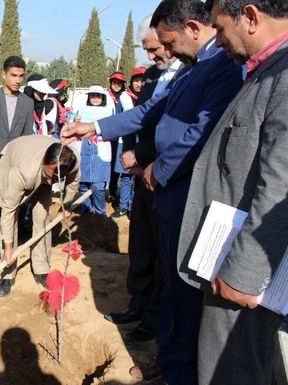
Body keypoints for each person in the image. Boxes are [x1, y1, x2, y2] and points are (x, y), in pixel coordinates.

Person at [62, 1, 243, 385]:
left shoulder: (224, 67)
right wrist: (93, 126)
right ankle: (169, 357)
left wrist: (158, 170)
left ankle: (180, 375)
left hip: (185, 195)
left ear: (193, 28)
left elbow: (200, 131)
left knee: (183, 290)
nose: (166, 51)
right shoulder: (191, 68)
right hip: (166, 197)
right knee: (169, 285)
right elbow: (151, 112)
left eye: (169, 41)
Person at [178, 1, 288, 385]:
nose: (218, 39)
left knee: (232, 380)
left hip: (247, 270)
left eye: (222, 28)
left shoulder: (285, 77)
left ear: (251, 16)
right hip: (231, 255)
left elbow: (281, 183)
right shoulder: (264, 72)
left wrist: (244, 272)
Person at [104, 15, 183, 343]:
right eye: (146, 50)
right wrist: (132, 154)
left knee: (164, 258)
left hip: (167, 176)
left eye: (154, 48)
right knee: (141, 244)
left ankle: (154, 317)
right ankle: (137, 303)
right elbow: (140, 118)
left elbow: (179, 130)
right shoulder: (151, 76)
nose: (151, 57)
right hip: (140, 175)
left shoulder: (189, 74)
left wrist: (146, 158)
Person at [0, 135, 79, 297]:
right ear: (44, 162)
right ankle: (8, 273)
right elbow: (9, 211)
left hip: (40, 164)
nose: (51, 182)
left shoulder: (72, 162)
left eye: (57, 178)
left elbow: (73, 183)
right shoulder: (23, 171)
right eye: (51, 175)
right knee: (10, 218)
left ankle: (41, 268)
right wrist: (8, 248)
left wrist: (67, 205)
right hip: (15, 159)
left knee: (42, 217)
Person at [0, 55, 34, 271]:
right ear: (3, 74)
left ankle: (3, 251)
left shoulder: (27, 103)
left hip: (14, 168)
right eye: (13, 75)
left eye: (21, 76)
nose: (18, 80)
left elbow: (27, 137)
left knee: (10, 213)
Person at [77, 85, 113, 216]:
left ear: (103, 97)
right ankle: (86, 211)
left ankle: (99, 212)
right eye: (92, 95)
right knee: (83, 184)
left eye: (98, 96)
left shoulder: (109, 111)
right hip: (84, 148)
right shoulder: (80, 110)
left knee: (98, 185)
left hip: (100, 148)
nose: (95, 98)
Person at [106, 71, 135, 216]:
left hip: (137, 141)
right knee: (122, 172)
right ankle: (121, 201)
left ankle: (130, 204)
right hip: (121, 139)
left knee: (132, 176)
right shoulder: (124, 97)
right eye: (114, 82)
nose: (116, 85)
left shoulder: (145, 96)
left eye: (119, 83)